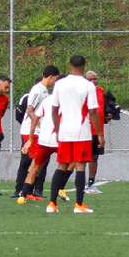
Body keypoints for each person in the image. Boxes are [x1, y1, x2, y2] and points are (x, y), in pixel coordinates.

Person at [46, 55, 101, 214]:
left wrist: (57, 130)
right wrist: (99, 134)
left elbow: (54, 110)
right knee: (80, 165)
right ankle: (79, 205)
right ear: (85, 65)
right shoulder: (88, 85)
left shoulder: (60, 83)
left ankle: (52, 204)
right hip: (81, 131)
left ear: (69, 64)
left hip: (64, 131)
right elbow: (92, 111)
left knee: (61, 165)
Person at [13, 67, 59, 199]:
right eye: (55, 79)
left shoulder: (44, 91)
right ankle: (22, 191)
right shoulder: (37, 90)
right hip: (29, 130)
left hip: (37, 131)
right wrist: (40, 124)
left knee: (39, 162)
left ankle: (28, 192)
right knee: (32, 161)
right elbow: (29, 110)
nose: (55, 82)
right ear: (51, 76)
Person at [84, 70, 107, 195]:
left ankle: (90, 184)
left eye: (95, 79)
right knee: (80, 158)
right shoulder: (83, 92)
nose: (94, 81)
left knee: (94, 157)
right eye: (91, 79)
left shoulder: (100, 91)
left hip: (97, 130)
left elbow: (101, 111)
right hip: (85, 130)